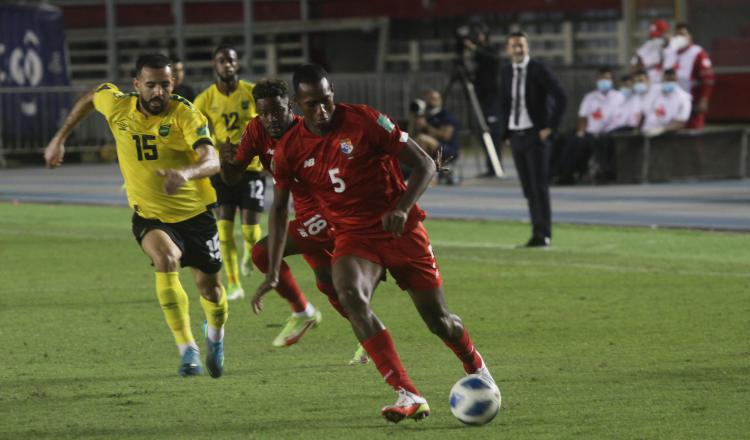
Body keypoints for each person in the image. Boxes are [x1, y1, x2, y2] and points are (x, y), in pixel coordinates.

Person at [256, 63, 494, 423]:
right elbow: (277, 210)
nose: (322, 111)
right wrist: (273, 271)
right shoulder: (289, 149)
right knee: (350, 294)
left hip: (402, 231)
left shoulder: (365, 121)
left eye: (326, 100)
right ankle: (407, 392)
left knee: (439, 321)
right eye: (312, 105)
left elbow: (426, 164)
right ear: (298, 107)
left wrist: (401, 208)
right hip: (354, 235)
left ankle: (475, 366)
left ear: (332, 92)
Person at [43, 54, 227, 378]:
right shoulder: (118, 106)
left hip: (196, 214)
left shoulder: (185, 112)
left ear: (174, 84)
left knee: (209, 288)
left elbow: (211, 159)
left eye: (165, 85)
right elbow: (90, 97)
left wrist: (186, 174)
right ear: (137, 85)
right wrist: (60, 138)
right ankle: (187, 350)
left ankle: (215, 336)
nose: (159, 93)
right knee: (165, 259)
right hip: (151, 216)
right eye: (152, 85)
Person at [219, 78, 348, 353]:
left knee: (262, 253)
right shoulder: (256, 129)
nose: (270, 119)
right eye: (263, 113)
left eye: (276, 111)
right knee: (327, 283)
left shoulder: (308, 132)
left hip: (329, 210)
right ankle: (365, 333)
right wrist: (225, 162)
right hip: (304, 213)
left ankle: (303, 311)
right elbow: (233, 177)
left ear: (290, 107)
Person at [194, 45, 265, 300]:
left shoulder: (251, 91)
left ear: (237, 64)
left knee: (248, 230)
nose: (227, 65)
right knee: (223, 230)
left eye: (231, 60)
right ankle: (234, 283)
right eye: (222, 60)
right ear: (215, 65)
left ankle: (250, 251)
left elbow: (266, 120)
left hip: (251, 166)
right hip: (222, 169)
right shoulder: (205, 99)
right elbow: (193, 129)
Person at [500, 31, 567, 248]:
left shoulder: (539, 69)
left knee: (539, 187)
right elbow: (505, 102)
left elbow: (561, 96)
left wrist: (550, 128)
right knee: (528, 189)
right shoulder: (506, 71)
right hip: (516, 136)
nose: (518, 50)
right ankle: (536, 232)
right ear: (508, 49)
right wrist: (506, 133)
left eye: (522, 45)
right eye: (514, 46)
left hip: (535, 136)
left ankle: (543, 233)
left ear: (527, 47)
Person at [463, 23, 503, 176]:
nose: (478, 38)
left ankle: (495, 166)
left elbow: (495, 59)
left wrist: (475, 49)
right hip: (479, 96)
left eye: (481, 34)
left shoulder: (491, 50)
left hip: (491, 96)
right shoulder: (476, 54)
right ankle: (490, 165)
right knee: (481, 132)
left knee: (493, 132)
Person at [662, 23, 714, 129]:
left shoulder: (698, 53)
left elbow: (708, 79)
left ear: (690, 37)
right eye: (677, 35)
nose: (679, 38)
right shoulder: (669, 53)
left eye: (683, 34)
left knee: (692, 134)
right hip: (671, 103)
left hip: (693, 103)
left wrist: (704, 99)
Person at [409, 89, 461, 184]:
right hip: (430, 149)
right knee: (412, 142)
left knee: (422, 138)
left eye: (434, 99)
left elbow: (446, 136)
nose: (431, 102)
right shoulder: (426, 116)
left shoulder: (447, 116)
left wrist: (426, 126)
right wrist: (414, 120)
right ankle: (419, 174)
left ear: (440, 100)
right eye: (429, 99)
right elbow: (412, 136)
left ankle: (426, 175)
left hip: (448, 149)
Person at [641, 68, 692, 137]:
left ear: (676, 80)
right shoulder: (653, 90)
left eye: (671, 80)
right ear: (662, 79)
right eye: (666, 80)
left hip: (667, 136)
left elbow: (681, 122)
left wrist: (662, 129)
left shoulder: (684, 97)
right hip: (646, 133)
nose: (668, 83)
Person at [631, 19, 672, 84]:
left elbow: (633, 63)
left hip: (656, 73)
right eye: (666, 31)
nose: (668, 33)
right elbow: (634, 63)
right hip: (652, 74)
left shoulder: (649, 44)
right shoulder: (655, 42)